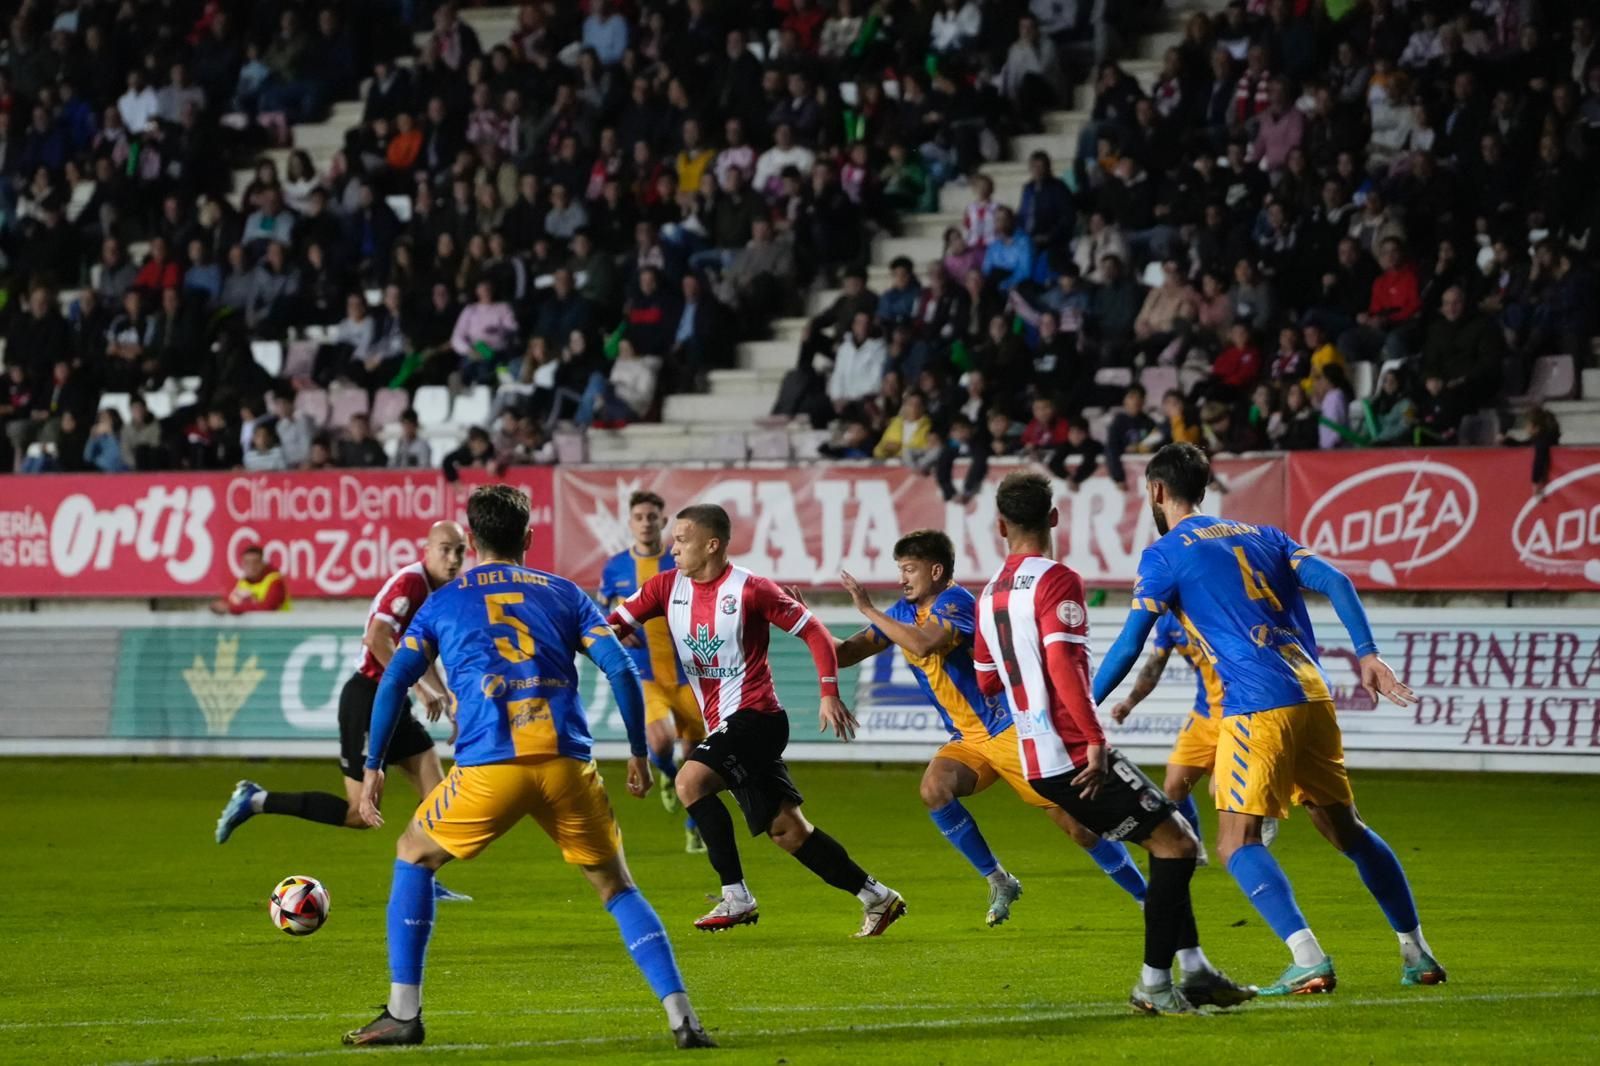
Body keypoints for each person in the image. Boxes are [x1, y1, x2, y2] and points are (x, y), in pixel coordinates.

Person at [343, 487, 713, 1050]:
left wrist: (372, 766)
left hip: (490, 767)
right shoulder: (565, 593)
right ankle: (682, 1016)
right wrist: (637, 752)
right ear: (529, 538)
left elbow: (393, 678)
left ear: (470, 540)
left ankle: (403, 1012)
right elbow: (617, 667)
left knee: (413, 854)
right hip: (568, 765)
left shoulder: (442, 601)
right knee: (617, 887)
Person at [1093, 444, 1447, 997]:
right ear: (1203, 488)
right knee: (1345, 828)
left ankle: (1307, 956)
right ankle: (1417, 949)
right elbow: (1337, 582)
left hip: (1256, 704)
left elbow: (1131, 641)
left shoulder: (1163, 554)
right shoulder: (1265, 535)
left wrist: (1083, 702)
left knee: (1236, 842)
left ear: (1157, 491)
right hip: (1313, 694)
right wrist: (1368, 653)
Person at [973, 471, 1253, 1016]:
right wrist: (1094, 738)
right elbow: (1063, 664)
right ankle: (1154, 982)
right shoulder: (1057, 580)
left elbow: (986, 679)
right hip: (1074, 751)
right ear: (1053, 518)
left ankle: (1194, 970)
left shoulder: (986, 596)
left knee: (1165, 841)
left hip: (1034, 757)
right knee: (1178, 845)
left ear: (1001, 525)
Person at [608, 504, 905, 936]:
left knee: (690, 781)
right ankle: (877, 897)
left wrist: (828, 694)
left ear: (712, 545)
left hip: (758, 718)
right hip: (726, 725)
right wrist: (586, 639)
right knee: (788, 831)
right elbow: (609, 625)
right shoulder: (663, 588)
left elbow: (815, 632)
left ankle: (736, 896)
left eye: (682, 539)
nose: (672, 549)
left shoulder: (751, 589)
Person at [826, 531, 1148, 927]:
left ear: (936, 570)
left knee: (1078, 827)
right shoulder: (903, 612)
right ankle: (999, 880)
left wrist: (869, 610)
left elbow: (926, 645)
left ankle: (1147, 898)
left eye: (909, 569)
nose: (902, 579)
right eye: (900, 570)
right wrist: (801, 623)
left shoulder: (957, 603)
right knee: (934, 789)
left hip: (1009, 729)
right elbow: (845, 654)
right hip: (969, 741)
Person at [215, 524, 470, 914]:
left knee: (438, 798)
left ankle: (422, 882)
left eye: (459, 552)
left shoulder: (441, 594)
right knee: (359, 814)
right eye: (445, 550)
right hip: (367, 699)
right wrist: (420, 687)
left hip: (393, 699)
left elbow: (420, 652)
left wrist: (447, 701)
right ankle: (256, 800)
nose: (452, 560)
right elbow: (377, 638)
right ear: (427, 549)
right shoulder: (411, 585)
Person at [1110, 613, 1284, 866]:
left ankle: (1261, 811)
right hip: (1203, 717)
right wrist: (1129, 702)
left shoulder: (1217, 604)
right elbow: (1153, 667)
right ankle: (1194, 846)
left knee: (1221, 790)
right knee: (1174, 786)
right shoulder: (1169, 621)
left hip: (1239, 713)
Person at [597, 491, 706, 855]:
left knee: (695, 756)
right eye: (639, 516)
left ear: (663, 522)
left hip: (688, 673)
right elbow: (602, 617)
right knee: (659, 743)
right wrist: (617, 633)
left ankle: (694, 825)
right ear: (630, 522)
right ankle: (667, 774)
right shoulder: (614, 568)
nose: (646, 522)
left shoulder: (681, 564)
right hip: (645, 675)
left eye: (652, 516)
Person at [209, 545, 292, 614]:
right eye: (247, 562)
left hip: (281, 630)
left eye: (255, 562)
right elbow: (229, 603)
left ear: (263, 564)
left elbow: (267, 608)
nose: (251, 567)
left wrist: (233, 608)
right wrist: (219, 605)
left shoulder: (275, 581)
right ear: (242, 565)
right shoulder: (242, 583)